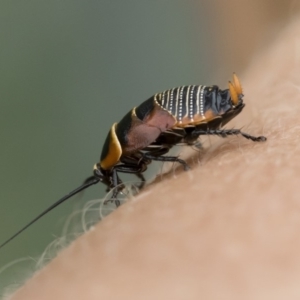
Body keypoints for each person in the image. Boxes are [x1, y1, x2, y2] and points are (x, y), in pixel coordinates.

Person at [8, 18, 300, 300]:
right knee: (183, 135)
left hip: (185, 110)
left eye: (109, 175)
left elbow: (155, 148)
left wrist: (173, 165)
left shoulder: (126, 145)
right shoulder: (123, 148)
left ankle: (239, 128)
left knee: (186, 133)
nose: (113, 178)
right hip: (181, 107)